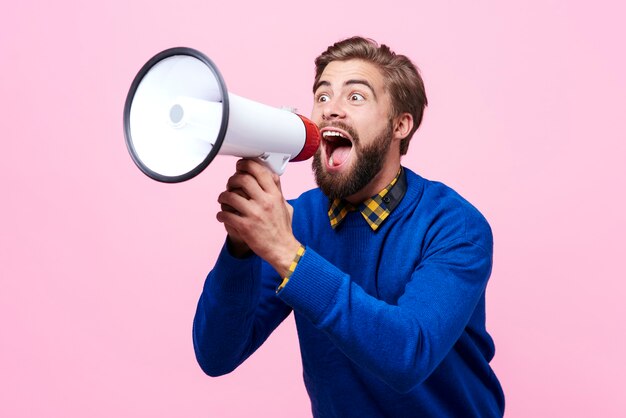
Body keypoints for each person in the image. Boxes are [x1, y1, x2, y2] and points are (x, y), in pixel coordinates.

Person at [193, 36, 505, 417]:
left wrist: (284, 251)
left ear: (400, 125)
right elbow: (217, 354)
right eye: (322, 97)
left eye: (355, 97)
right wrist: (240, 249)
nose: (331, 111)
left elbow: (409, 354)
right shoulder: (297, 221)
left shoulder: (455, 226)